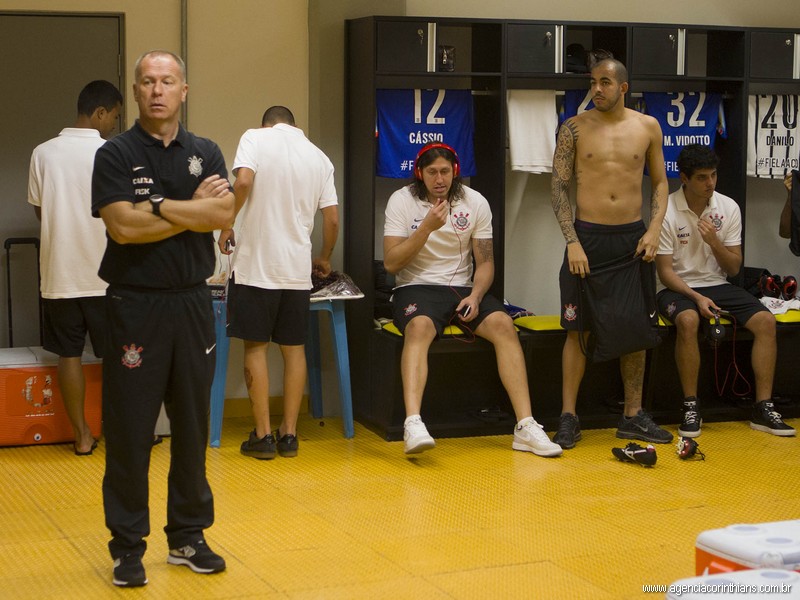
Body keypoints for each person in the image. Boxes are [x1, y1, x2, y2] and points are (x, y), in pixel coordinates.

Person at [91, 50, 234, 587]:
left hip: (195, 304)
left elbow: (221, 214)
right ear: (135, 92)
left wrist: (155, 207)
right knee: (130, 431)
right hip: (135, 305)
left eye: (167, 81)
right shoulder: (115, 153)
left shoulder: (206, 151)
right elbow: (122, 228)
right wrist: (184, 207)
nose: (157, 90)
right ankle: (128, 545)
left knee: (193, 426)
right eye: (147, 81)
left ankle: (188, 536)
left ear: (183, 90)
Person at [384, 142, 562, 457]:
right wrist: (426, 228)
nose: (439, 179)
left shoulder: (474, 201)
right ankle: (413, 422)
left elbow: (486, 263)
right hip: (416, 286)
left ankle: (525, 425)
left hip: (464, 288)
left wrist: (477, 296)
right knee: (419, 328)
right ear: (419, 174)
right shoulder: (402, 200)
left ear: (455, 172)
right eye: (432, 172)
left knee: (504, 325)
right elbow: (392, 263)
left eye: (445, 172)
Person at [550, 56, 673, 449]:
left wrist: (654, 229)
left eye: (605, 82)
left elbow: (660, 184)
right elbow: (557, 188)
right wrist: (572, 241)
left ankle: (633, 416)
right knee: (577, 330)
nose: (596, 89)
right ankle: (569, 416)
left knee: (635, 331)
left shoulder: (648, 127)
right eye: (593, 82)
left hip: (632, 240)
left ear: (623, 87)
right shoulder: (573, 128)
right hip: (587, 239)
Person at [218, 105, 339, 460]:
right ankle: (289, 434)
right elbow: (331, 218)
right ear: (294, 126)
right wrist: (325, 256)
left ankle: (263, 436)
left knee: (256, 348)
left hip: (257, 267)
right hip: (296, 271)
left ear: (265, 124)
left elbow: (242, 181)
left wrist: (228, 221)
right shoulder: (318, 157)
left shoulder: (254, 138)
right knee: (294, 349)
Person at [656, 144, 795, 438]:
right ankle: (691, 406)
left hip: (717, 285)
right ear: (684, 178)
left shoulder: (728, 207)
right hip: (676, 287)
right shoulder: (665, 209)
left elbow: (733, 269)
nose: (710, 183)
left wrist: (715, 243)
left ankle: (762, 407)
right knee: (689, 320)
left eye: (714, 175)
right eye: (702, 178)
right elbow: (665, 272)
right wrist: (696, 298)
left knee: (766, 321)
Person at [27, 80, 122, 456]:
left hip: (59, 275)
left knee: (69, 356)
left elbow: (40, 209)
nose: (114, 124)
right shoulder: (112, 152)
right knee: (120, 357)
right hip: (105, 275)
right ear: (99, 112)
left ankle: (82, 435)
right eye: (113, 116)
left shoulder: (43, 153)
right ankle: (121, 433)